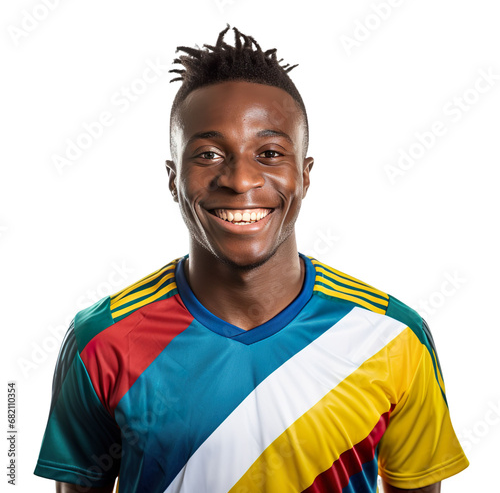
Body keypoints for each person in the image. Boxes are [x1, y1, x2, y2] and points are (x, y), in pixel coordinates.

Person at [34, 25, 469, 493]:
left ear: (304, 175)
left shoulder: (394, 337)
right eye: (208, 154)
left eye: (269, 153)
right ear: (172, 178)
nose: (241, 179)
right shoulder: (100, 341)